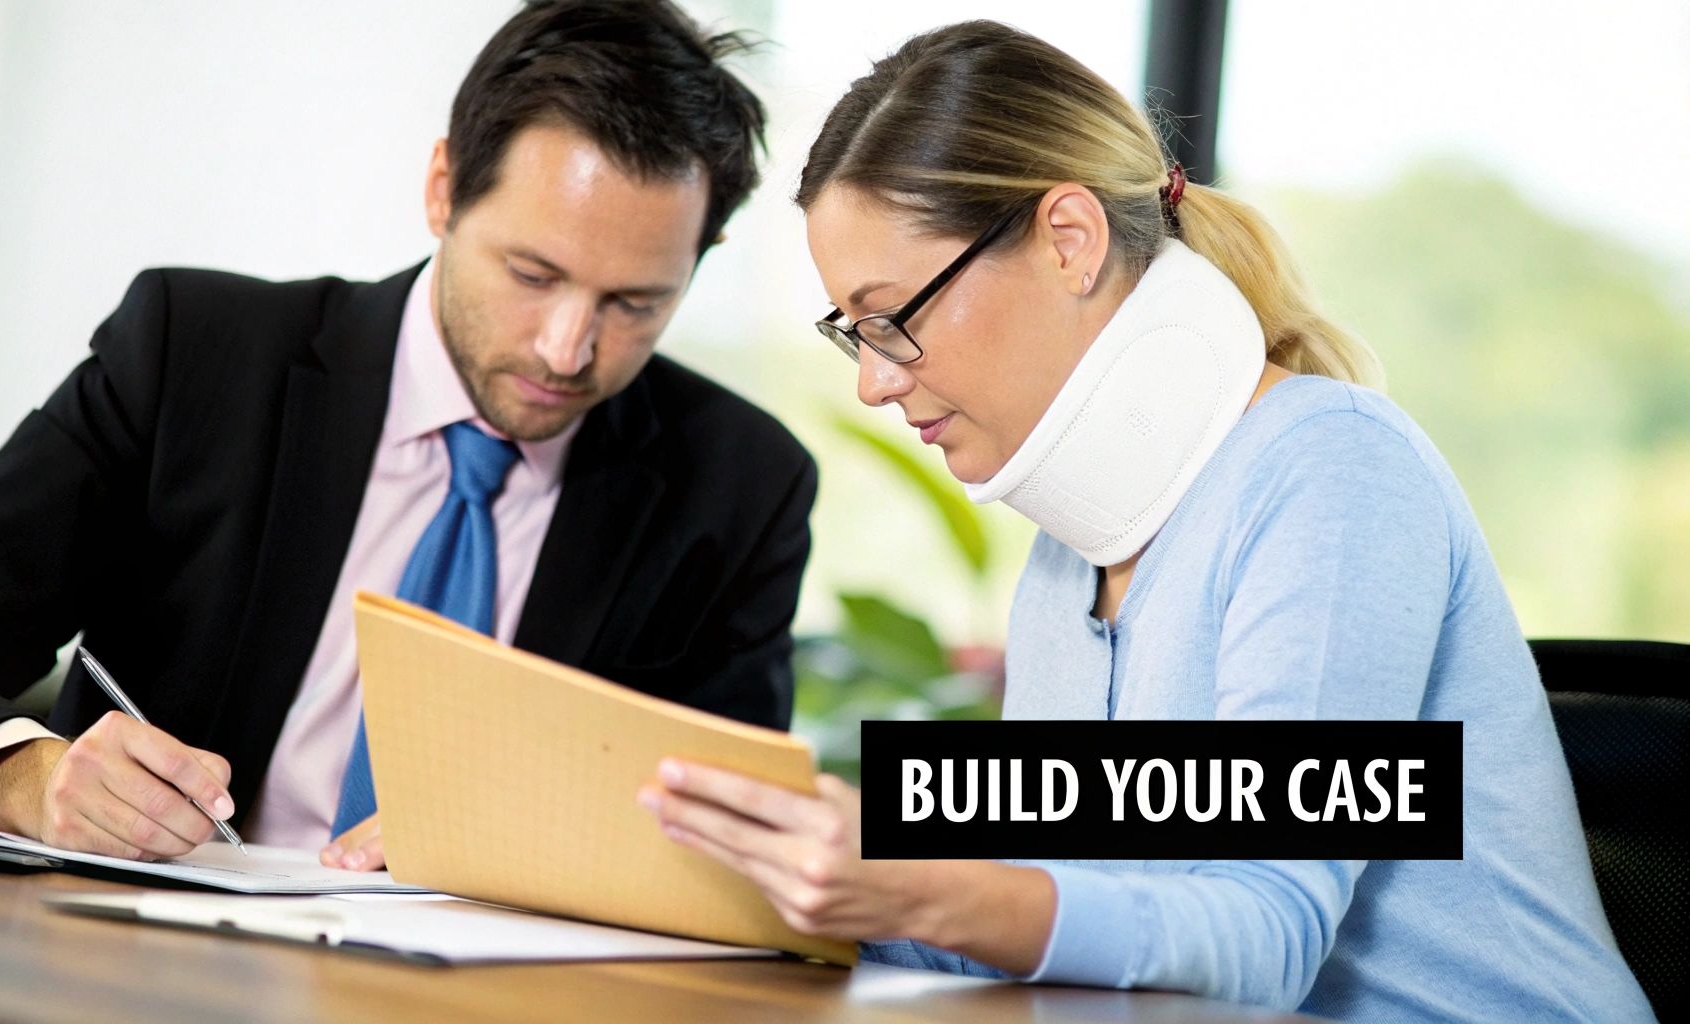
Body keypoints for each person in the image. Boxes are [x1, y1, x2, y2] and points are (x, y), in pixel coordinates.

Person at [636, 20, 1655, 1023]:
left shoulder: (1334, 469)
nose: (871, 381)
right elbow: (1063, 920)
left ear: (1068, 241)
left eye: (890, 316)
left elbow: (1264, 937)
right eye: (849, 333)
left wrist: (911, 883)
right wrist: (754, 882)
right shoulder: (1061, 565)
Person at [0, 0, 815, 877]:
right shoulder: (195, 356)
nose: (567, 348)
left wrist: (535, 842)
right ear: (443, 189)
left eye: (635, 303)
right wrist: (23, 778)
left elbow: (731, 836)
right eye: (532, 273)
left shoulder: (738, 483)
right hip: (148, 959)